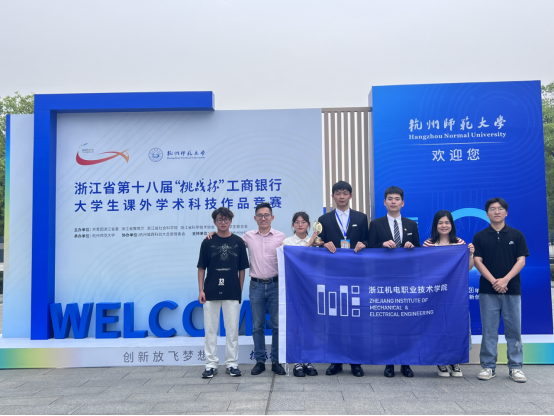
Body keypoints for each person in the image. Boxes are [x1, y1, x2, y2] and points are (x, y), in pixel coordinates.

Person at [209, 203, 287, 375]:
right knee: (257, 325)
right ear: (255, 218)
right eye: (260, 215)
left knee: (277, 325)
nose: (263, 218)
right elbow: (228, 240)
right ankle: (260, 361)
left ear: (272, 217)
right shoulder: (247, 237)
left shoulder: (281, 237)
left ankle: (276, 361)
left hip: (276, 285)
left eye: (266, 215)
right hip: (256, 285)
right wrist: (214, 234)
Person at [473, 198, 529, 383]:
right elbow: (477, 261)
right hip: (487, 290)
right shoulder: (480, 236)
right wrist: (494, 281)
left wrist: (505, 280)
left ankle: (516, 367)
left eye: (500, 209)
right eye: (492, 209)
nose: (496, 211)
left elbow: (521, 260)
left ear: (506, 213)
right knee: (489, 330)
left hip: (512, 289)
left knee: (514, 330)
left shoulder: (516, 235)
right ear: (487, 213)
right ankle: (488, 367)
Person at [318, 181, 369, 378]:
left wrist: (364, 244)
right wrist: (323, 243)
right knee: (334, 319)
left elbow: (368, 240)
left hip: (356, 275)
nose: (341, 196)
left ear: (350, 196)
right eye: (338, 193)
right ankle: (336, 361)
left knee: (356, 319)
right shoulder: (324, 219)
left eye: (345, 193)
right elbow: (318, 242)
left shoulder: (361, 218)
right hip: (333, 275)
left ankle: (356, 362)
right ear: (332, 196)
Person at [368, 186, 420, 378]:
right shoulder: (375, 224)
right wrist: (381, 245)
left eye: (397, 199)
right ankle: (389, 363)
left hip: (405, 280)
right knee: (387, 322)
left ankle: (406, 363)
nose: (393, 202)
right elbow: (369, 250)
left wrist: (411, 246)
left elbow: (419, 251)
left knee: (405, 322)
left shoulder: (411, 225)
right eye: (390, 198)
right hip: (384, 280)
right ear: (384, 202)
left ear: (402, 203)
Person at [197, 207, 249, 379]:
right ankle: (211, 364)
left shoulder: (238, 242)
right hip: (210, 292)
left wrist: (239, 289)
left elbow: (242, 269)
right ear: (214, 222)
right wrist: (201, 290)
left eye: (226, 219)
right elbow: (201, 267)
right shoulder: (207, 242)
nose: (223, 222)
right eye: (220, 219)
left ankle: (232, 363)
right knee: (210, 330)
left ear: (231, 221)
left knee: (232, 330)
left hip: (232, 292)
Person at [422, 210, 475, 378]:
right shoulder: (428, 244)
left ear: (451, 225)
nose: (443, 225)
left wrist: (471, 254)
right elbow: (425, 268)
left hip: (456, 293)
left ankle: (455, 360)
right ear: (435, 225)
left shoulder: (460, 243)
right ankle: (441, 361)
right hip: (436, 293)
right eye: (440, 222)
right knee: (438, 326)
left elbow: (468, 268)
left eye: (447, 222)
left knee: (456, 324)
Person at [282, 212, 321, 377]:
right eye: (297, 222)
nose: (300, 225)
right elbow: (296, 259)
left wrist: (315, 244)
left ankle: (308, 361)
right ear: (293, 225)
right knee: (296, 325)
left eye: (303, 222)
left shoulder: (318, 243)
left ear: (308, 225)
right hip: (294, 288)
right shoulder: (287, 242)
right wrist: (310, 243)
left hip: (311, 287)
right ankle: (297, 361)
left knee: (310, 324)